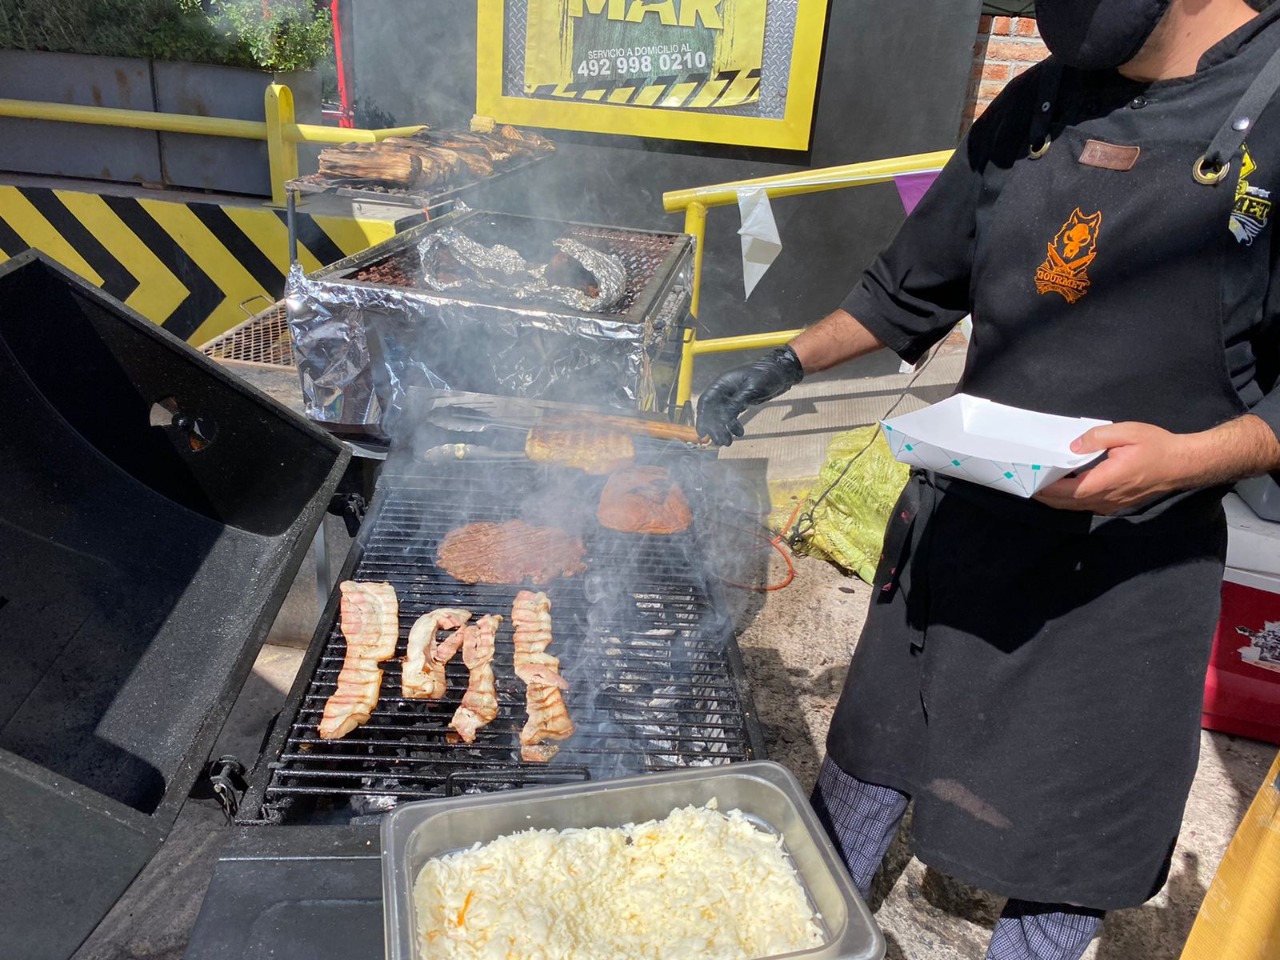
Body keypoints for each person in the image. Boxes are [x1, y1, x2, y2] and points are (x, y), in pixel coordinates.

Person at [696, 1, 1280, 958]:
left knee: (1067, 844)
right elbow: (911, 283)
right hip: (959, 530)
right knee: (869, 759)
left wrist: (1184, 459)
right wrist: (784, 365)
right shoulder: (1039, 100)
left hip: (1127, 570)